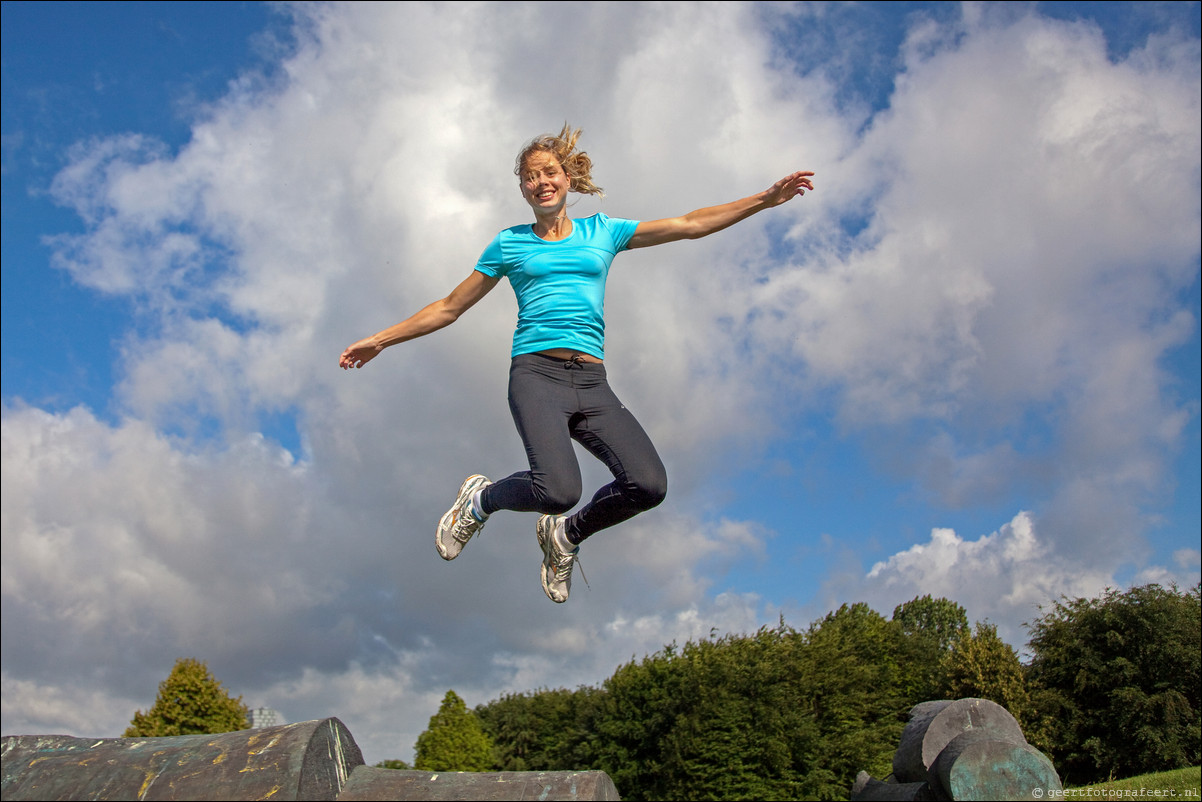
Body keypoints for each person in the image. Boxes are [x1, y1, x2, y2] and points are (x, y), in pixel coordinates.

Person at [340, 125, 814, 603]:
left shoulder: (603, 231)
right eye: (530, 176)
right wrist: (381, 340)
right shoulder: (508, 244)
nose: (540, 181)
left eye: (549, 172)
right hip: (536, 375)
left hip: (591, 381)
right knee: (556, 490)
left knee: (648, 486)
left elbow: (689, 224)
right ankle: (480, 501)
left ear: (567, 179)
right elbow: (449, 306)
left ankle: (564, 537)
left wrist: (763, 200)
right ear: (522, 188)